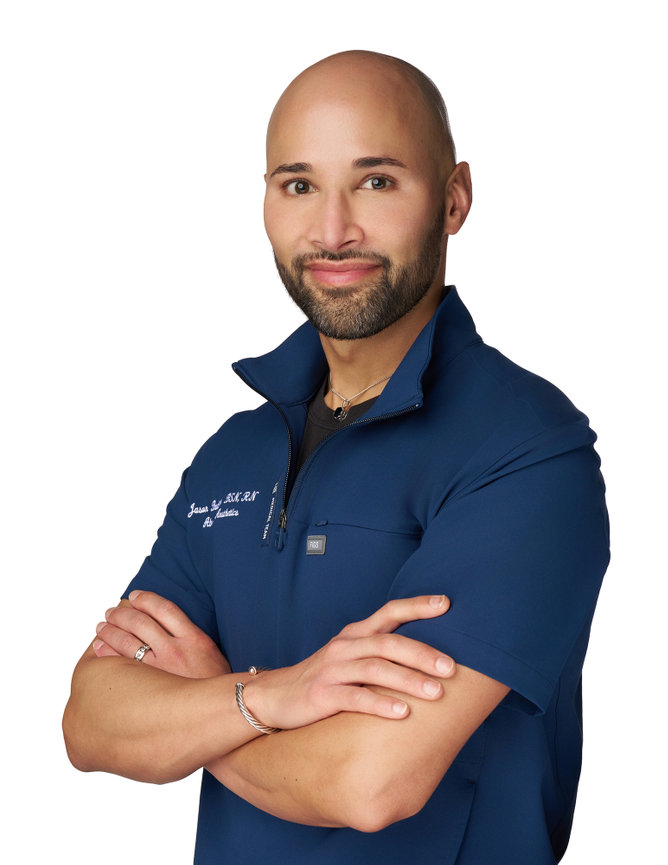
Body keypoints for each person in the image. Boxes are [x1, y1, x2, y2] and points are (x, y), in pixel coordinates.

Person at [63, 50, 609, 864]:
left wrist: (203, 709)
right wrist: (274, 694)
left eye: (377, 180)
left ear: (454, 198)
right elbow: (92, 721)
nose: (331, 230)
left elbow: (370, 781)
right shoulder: (233, 452)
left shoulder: (526, 450)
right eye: (299, 184)